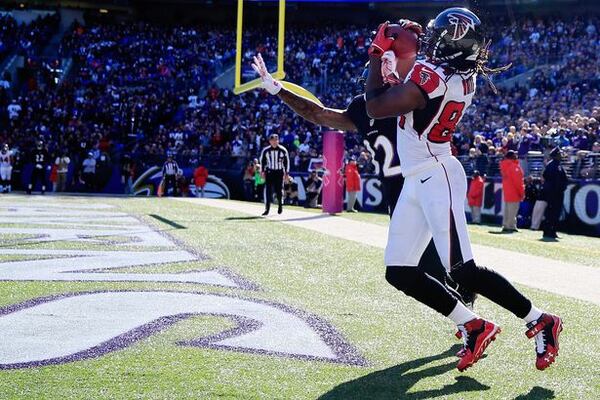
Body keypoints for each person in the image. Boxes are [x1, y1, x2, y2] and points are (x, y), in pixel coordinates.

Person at [365, 8, 561, 371]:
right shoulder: (460, 75)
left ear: (453, 48)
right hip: (419, 176)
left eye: (440, 40)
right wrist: (404, 55)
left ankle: (540, 319)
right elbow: (419, 77)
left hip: (436, 174)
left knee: (463, 271)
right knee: (399, 269)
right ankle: (471, 323)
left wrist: (379, 57)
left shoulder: (433, 77)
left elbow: (376, 106)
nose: (432, 44)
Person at [251, 44, 475, 307]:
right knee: (412, 270)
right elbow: (319, 114)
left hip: (427, 184)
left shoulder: (410, 96)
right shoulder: (362, 108)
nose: (386, 71)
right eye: (381, 68)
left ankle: (472, 315)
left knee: (447, 265)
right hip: (400, 196)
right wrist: (279, 89)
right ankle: (468, 316)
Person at [259, 133, 289, 215]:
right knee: (268, 191)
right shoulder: (266, 150)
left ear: (278, 141)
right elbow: (262, 161)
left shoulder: (283, 150)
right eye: (273, 140)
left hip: (279, 172)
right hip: (269, 172)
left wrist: (286, 173)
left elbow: (286, 162)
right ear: (270, 141)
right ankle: (267, 209)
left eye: (276, 140)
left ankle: (280, 206)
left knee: (279, 191)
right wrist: (262, 172)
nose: (275, 142)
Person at [542, 147, 568, 239]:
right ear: (556, 155)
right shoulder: (553, 165)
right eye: (559, 154)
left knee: (555, 212)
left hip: (556, 192)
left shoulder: (557, 165)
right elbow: (548, 177)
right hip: (554, 193)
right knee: (552, 212)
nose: (561, 155)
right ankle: (548, 231)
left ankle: (552, 231)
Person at [500, 150, 525, 232]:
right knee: (513, 210)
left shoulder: (505, 165)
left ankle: (506, 224)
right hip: (514, 191)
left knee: (507, 209)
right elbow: (518, 182)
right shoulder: (514, 167)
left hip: (507, 191)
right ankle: (510, 225)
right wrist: (521, 192)